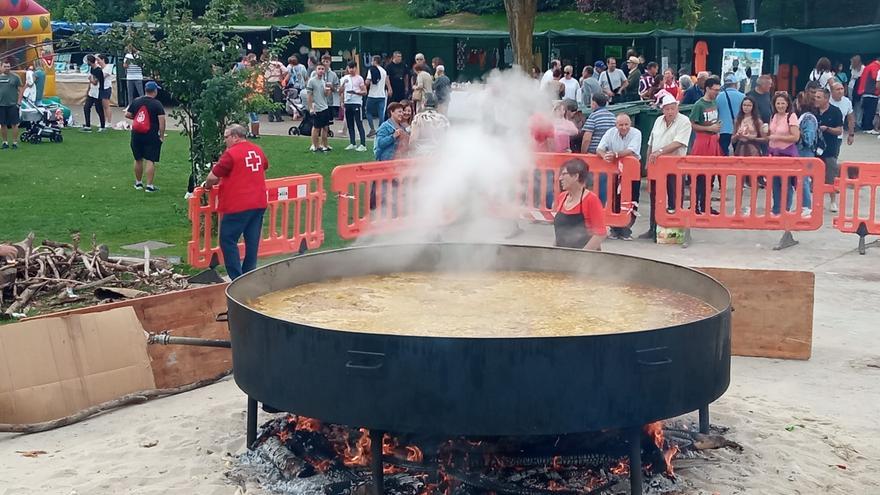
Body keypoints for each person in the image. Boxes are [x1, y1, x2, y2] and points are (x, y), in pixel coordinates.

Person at [202, 124, 269, 280]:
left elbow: (213, 177)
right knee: (252, 242)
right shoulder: (257, 150)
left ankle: (236, 278)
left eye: (226, 137)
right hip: (258, 202)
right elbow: (264, 166)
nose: (225, 140)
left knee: (228, 240)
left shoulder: (231, 154)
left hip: (238, 204)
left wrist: (206, 185)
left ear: (235, 136)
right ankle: (248, 275)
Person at [641, 94, 693, 241]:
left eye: (673, 108)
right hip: (657, 166)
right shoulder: (658, 120)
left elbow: (679, 143)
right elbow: (651, 141)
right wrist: (648, 161)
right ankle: (653, 228)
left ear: (677, 108)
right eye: (667, 109)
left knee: (675, 198)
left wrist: (660, 152)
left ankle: (674, 230)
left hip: (674, 165)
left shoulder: (684, 121)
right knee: (655, 197)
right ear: (662, 109)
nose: (670, 111)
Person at [595, 114, 642, 240]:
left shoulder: (636, 133)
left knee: (632, 198)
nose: (624, 127)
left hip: (631, 172)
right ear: (616, 125)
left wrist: (615, 155)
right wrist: (604, 155)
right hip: (614, 172)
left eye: (626, 124)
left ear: (630, 124)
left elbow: (631, 151)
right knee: (614, 199)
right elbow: (599, 148)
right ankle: (614, 229)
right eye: (621, 125)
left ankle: (626, 229)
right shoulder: (610, 133)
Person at [767, 91, 808, 215]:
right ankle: (776, 208)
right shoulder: (773, 116)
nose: (780, 106)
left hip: (787, 153)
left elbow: (795, 137)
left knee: (786, 183)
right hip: (773, 153)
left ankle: (785, 209)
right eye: (778, 103)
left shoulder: (791, 116)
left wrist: (777, 138)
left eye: (782, 103)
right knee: (774, 182)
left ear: (787, 104)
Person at [552, 158, 606, 251]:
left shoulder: (591, 199)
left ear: (576, 176)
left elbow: (600, 234)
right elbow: (560, 233)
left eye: (564, 174)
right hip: (562, 255)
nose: (560, 178)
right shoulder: (562, 197)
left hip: (585, 258)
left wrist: (580, 256)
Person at [689, 77, 723, 215]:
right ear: (707, 88)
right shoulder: (699, 105)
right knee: (700, 175)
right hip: (703, 141)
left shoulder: (714, 102)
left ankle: (705, 204)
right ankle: (695, 205)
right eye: (715, 90)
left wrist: (716, 130)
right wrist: (709, 129)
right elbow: (692, 123)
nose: (717, 92)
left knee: (711, 174)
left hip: (713, 140)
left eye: (718, 90)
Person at [125, 81, 166, 192]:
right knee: (150, 159)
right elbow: (162, 122)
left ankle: (138, 183)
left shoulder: (136, 101)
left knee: (138, 158)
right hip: (151, 134)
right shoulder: (157, 104)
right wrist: (161, 135)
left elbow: (127, 114)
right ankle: (149, 185)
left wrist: (139, 120)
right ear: (155, 91)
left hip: (136, 134)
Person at [814, 88, 844, 213]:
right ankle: (816, 201)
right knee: (815, 176)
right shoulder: (812, 111)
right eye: (815, 97)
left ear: (826, 98)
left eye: (819, 97)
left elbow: (840, 130)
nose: (815, 99)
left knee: (831, 176)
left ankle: (832, 201)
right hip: (815, 149)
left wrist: (827, 129)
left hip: (830, 149)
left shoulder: (835, 111)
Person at [339, 61, 367, 152]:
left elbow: (364, 91)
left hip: (356, 102)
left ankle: (363, 144)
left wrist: (356, 92)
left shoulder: (359, 78)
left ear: (356, 68)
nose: (351, 70)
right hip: (348, 102)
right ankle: (352, 143)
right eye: (349, 68)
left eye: (353, 68)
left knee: (359, 123)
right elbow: (340, 91)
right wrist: (342, 102)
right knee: (350, 124)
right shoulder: (344, 78)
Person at [716, 73, 746, 155]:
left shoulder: (719, 96)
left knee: (723, 153)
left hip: (723, 130)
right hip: (738, 130)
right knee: (737, 153)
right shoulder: (743, 96)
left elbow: (716, 113)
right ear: (735, 84)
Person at [306, 64, 333, 152]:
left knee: (325, 127)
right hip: (316, 108)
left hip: (324, 107)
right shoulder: (312, 81)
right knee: (316, 127)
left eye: (322, 69)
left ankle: (324, 145)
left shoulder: (323, 81)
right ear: (316, 70)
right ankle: (314, 145)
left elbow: (325, 95)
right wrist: (310, 107)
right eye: (319, 69)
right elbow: (309, 95)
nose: (321, 70)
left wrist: (328, 91)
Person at [365, 55, 391, 137]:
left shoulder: (371, 70)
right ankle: (380, 130)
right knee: (381, 113)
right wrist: (389, 88)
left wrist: (364, 84)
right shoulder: (384, 71)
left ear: (374, 61)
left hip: (372, 94)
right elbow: (387, 81)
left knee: (368, 112)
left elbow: (368, 82)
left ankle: (372, 129)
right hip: (381, 95)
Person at [0, 61, 24, 150]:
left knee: (14, 124)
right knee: (3, 124)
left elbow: (21, 90)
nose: (7, 68)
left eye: (8, 66)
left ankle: (14, 142)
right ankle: (5, 142)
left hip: (12, 104)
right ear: (1, 67)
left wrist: (19, 102)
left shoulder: (15, 77)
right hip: (1, 105)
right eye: (5, 66)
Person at [82, 55, 106, 132]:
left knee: (99, 109)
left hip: (98, 92)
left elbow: (95, 82)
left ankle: (102, 126)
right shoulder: (92, 69)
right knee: (86, 107)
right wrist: (88, 90)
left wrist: (90, 79)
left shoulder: (98, 70)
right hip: (92, 92)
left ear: (89, 61)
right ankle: (88, 125)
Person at [855, 57, 880, 132]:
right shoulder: (875, 67)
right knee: (870, 111)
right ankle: (868, 127)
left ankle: (865, 127)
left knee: (866, 111)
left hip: (865, 92)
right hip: (871, 92)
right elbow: (875, 77)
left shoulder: (869, 66)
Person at [829, 81, 855, 147]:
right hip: (826, 134)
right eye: (837, 89)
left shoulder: (847, 102)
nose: (840, 91)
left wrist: (851, 134)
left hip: (839, 135)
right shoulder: (827, 100)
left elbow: (851, 119)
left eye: (841, 89)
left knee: (834, 156)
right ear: (831, 91)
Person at [264, 54, 286, 122]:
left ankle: (270, 117)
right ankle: (278, 117)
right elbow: (286, 71)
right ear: (276, 58)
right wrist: (281, 76)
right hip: (276, 83)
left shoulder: (265, 64)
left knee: (269, 101)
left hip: (268, 83)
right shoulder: (279, 64)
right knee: (277, 101)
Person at [97, 54, 114, 128]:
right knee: (101, 106)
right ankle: (103, 121)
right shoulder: (99, 68)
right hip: (100, 88)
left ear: (103, 60)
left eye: (98, 60)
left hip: (106, 88)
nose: (97, 62)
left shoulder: (108, 68)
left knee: (106, 106)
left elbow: (101, 77)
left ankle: (109, 122)